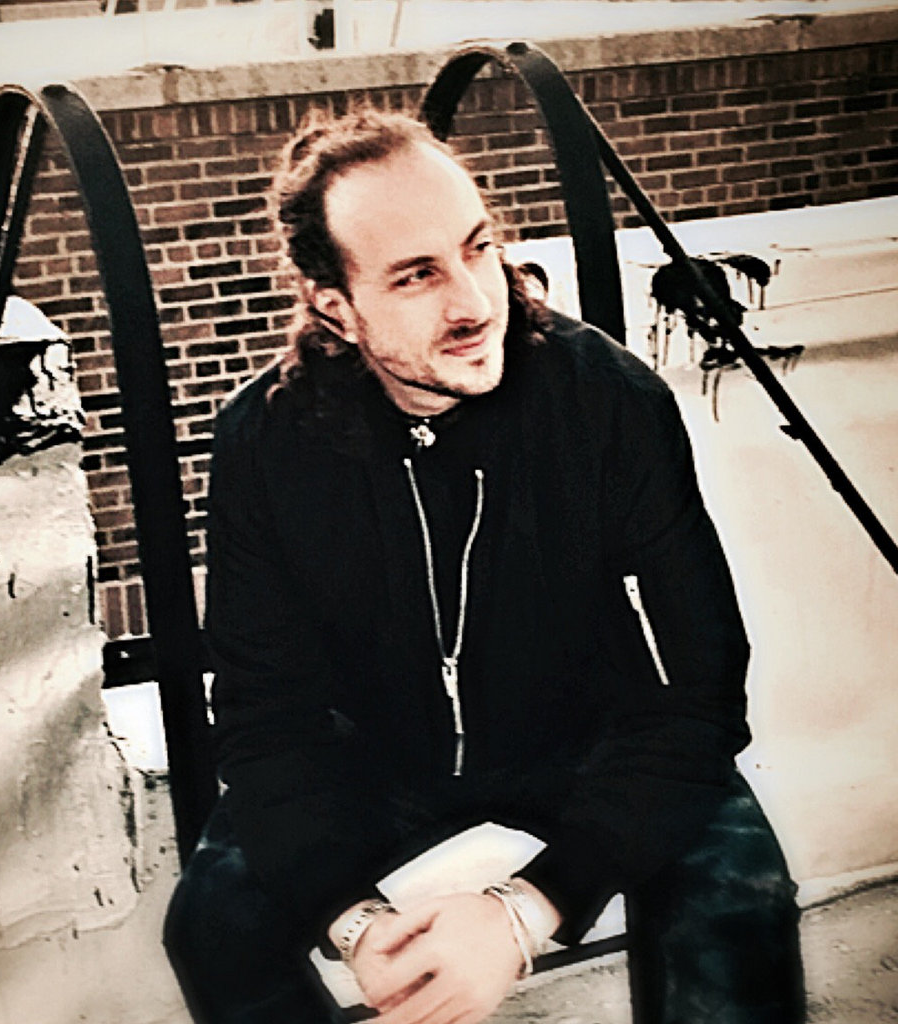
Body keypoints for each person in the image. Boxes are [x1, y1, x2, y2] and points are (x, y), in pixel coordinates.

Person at [164, 108, 806, 1024]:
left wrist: (523, 912)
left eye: (478, 249)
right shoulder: (267, 442)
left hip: (582, 737)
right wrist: (355, 924)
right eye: (417, 274)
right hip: (376, 752)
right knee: (213, 921)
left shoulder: (606, 401)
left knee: (737, 891)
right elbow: (266, 718)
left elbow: (698, 694)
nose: (473, 302)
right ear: (335, 306)